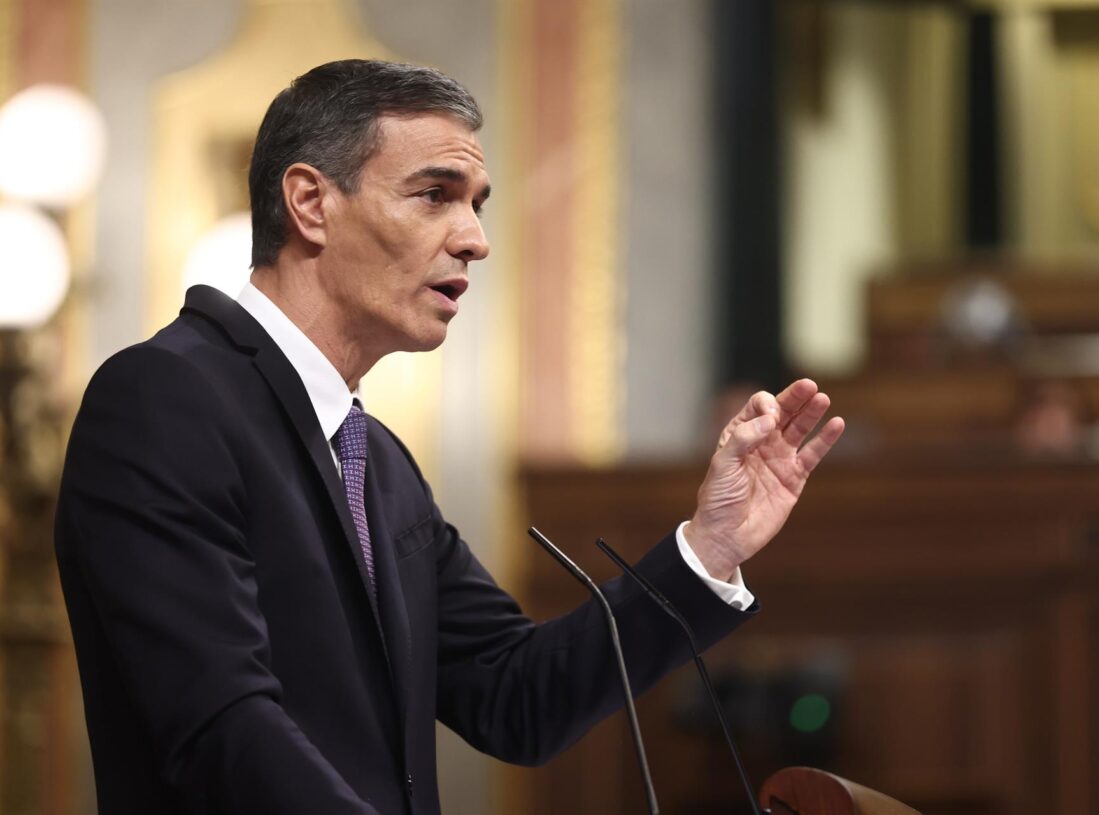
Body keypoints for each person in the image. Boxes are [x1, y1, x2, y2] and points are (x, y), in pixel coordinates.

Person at [55, 59, 844, 815]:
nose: (475, 239)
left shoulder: (377, 460)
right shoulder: (164, 399)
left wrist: (708, 547)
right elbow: (221, 728)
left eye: (478, 203)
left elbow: (516, 696)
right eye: (435, 194)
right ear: (310, 202)